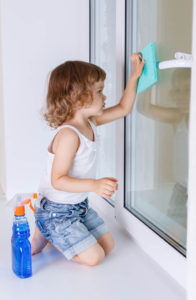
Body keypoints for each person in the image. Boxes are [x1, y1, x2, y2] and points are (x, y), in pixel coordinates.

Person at [31, 54, 145, 266]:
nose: (105, 97)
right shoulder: (69, 135)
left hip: (78, 206)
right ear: (77, 97)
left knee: (108, 246)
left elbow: (123, 109)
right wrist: (94, 185)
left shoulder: (90, 122)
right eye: (99, 92)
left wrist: (134, 77)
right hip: (58, 211)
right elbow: (58, 180)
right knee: (95, 257)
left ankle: (55, 233)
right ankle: (48, 228)